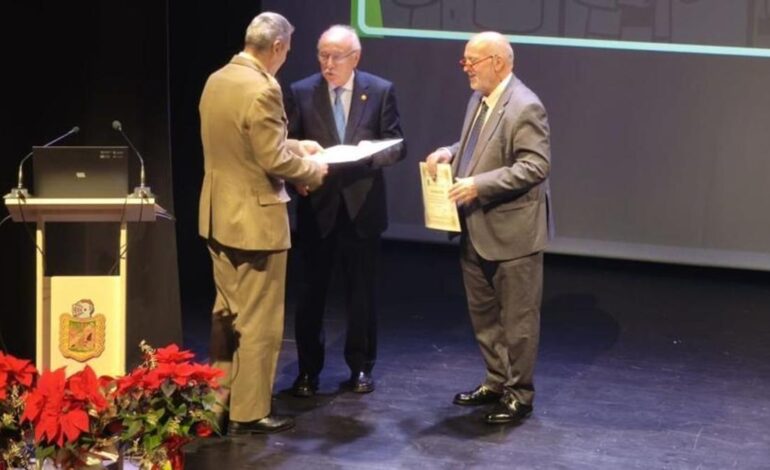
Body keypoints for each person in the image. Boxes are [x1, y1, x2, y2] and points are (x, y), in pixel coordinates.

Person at [198, 12, 328, 435]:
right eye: (287, 51)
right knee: (259, 320)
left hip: (219, 216)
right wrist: (312, 169)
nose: (285, 59)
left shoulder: (218, 79)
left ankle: (216, 402)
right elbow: (270, 159)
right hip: (255, 220)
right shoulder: (263, 88)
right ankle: (251, 411)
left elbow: (245, 140)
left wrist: (296, 144)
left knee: (226, 313)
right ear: (276, 47)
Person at [425, 31, 552, 425]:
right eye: (465, 60)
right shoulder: (478, 101)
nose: (465, 67)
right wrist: (451, 151)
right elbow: (477, 148)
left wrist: (479, 185)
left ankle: (520, 394)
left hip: (512, 233)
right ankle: (496, 382)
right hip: (475, 229)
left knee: (517, 320)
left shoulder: (526, 106)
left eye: (471, 61)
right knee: (484, 315)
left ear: (498, 61)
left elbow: (534, 165)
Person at [284, 25, 406, 396]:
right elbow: (286, 149)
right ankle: (307, 372)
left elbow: (397, 145)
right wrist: (297, 181)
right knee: (310, 295)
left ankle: (361, 368)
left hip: (361, 208)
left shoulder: (380, 89)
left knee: (361, 295)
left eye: (337, 56)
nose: (328, 63)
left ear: (356, 57)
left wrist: (369, 153)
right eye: (323, 54)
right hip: (316, 207)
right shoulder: (302, 91)